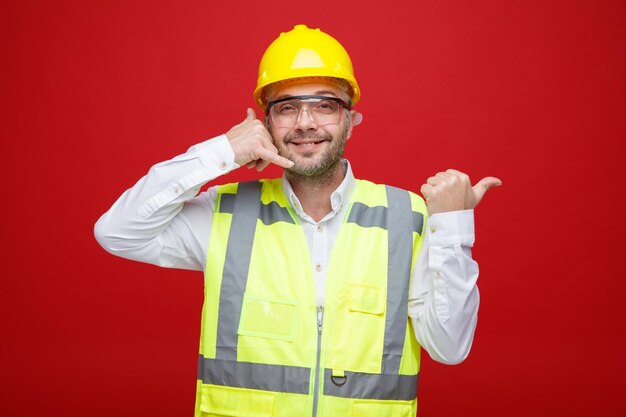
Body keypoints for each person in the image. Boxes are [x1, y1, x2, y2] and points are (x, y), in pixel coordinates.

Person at [94, 24, 501, 417]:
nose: (306, 122)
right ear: (266, 123)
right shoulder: (226, 214)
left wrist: (451, 228)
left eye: (325, 105)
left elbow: (450, 347)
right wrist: (221, 152)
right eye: (288, 107)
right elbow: (117, 232)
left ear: (350, 120)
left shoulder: (407, 218)